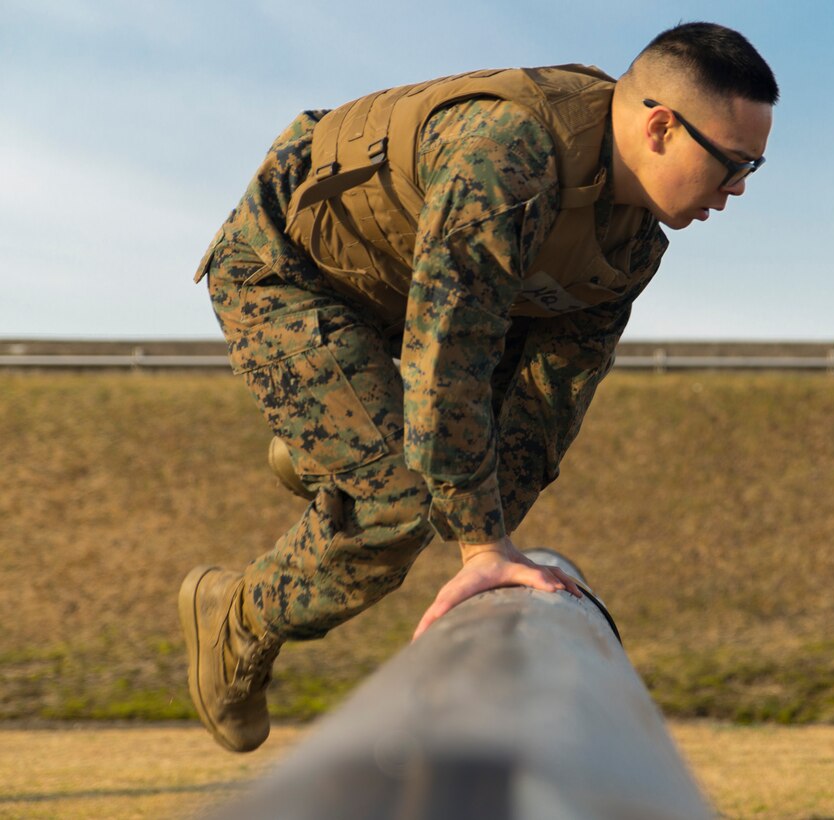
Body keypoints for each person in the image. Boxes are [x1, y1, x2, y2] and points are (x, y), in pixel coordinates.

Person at [179, 21, 778, 753]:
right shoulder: (508, 155)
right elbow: (447, 359)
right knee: (398, 501)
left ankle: (331, 447)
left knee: (442, 484)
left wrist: (495, 542)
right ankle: (235, 617)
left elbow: (545, 405)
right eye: (733, 163)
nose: (739, 188)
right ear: (660, 126)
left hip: (398, 289)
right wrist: (479, 545)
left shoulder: (630, 243)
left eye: (755, 168)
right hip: (289, 271)